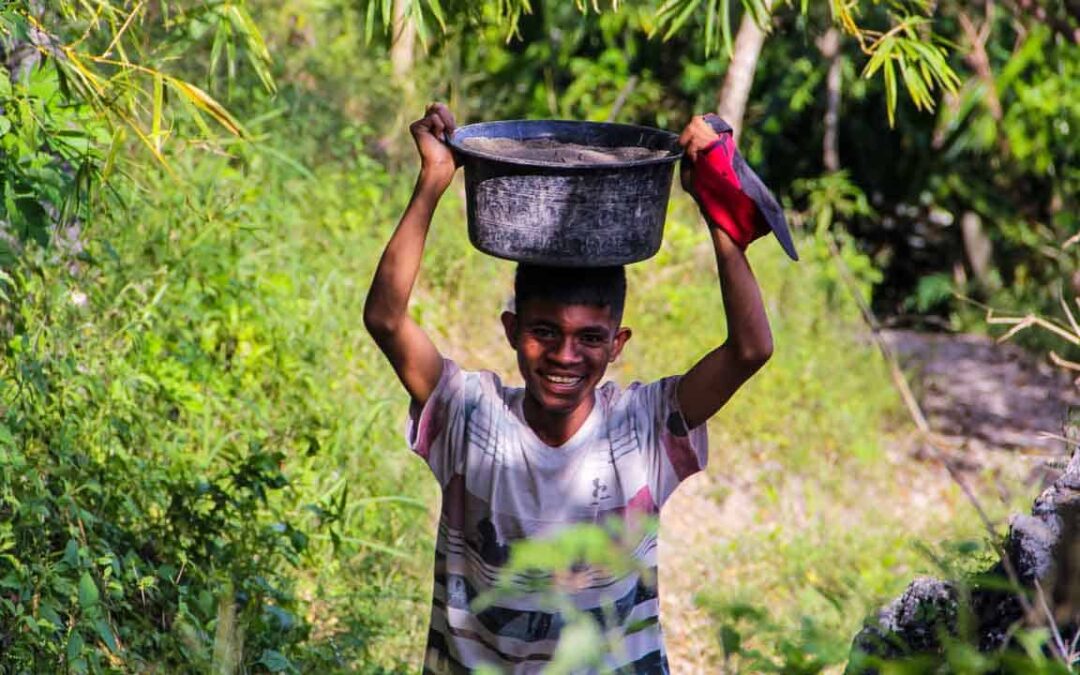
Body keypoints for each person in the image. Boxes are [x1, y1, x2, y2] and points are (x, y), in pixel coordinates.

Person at [363, 103, 774, 674]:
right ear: (511, 331)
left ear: (617, 344)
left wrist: (717, 211)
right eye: (544, 332)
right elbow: (386, 318)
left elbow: (750, 349)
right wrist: (433, 180)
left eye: (589, 338)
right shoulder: (470, 416)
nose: (564, 355)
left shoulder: (643, 427)